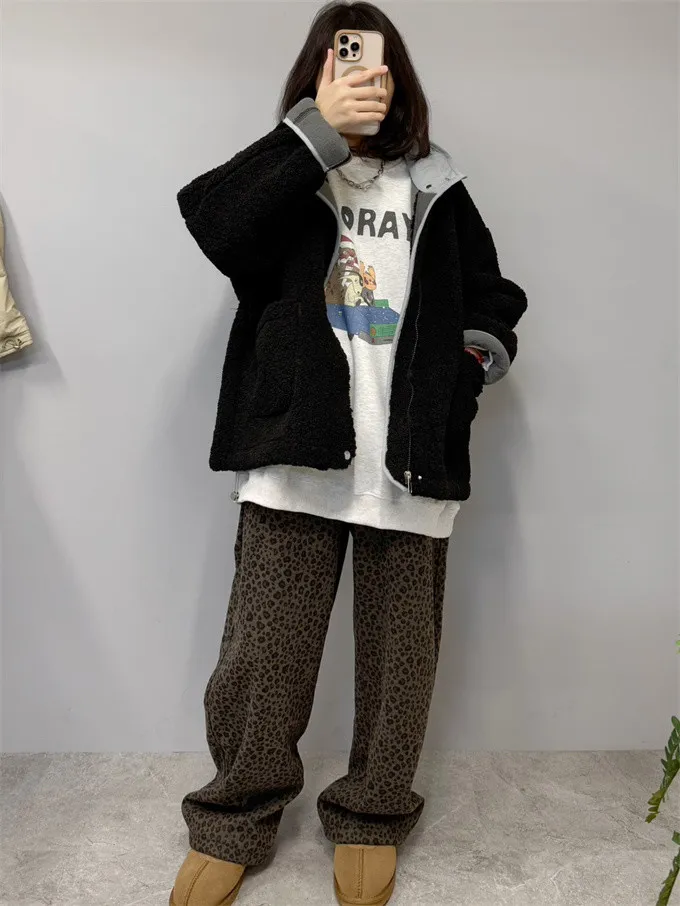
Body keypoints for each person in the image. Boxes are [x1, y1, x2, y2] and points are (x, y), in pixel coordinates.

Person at [170, 2, 527, 904]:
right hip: (295, 451)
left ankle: (373, 814)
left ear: (400, 80)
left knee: (402, 664)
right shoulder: (287, 173)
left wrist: (468, 367)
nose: (367, 76)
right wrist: (312, 136)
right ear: (318, 73)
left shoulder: (437, 184)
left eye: (379, 63)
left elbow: (492, 291)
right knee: (262, 663)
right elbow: (212, 223)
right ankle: (234, 817)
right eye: (346, 60)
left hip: (409, 461)